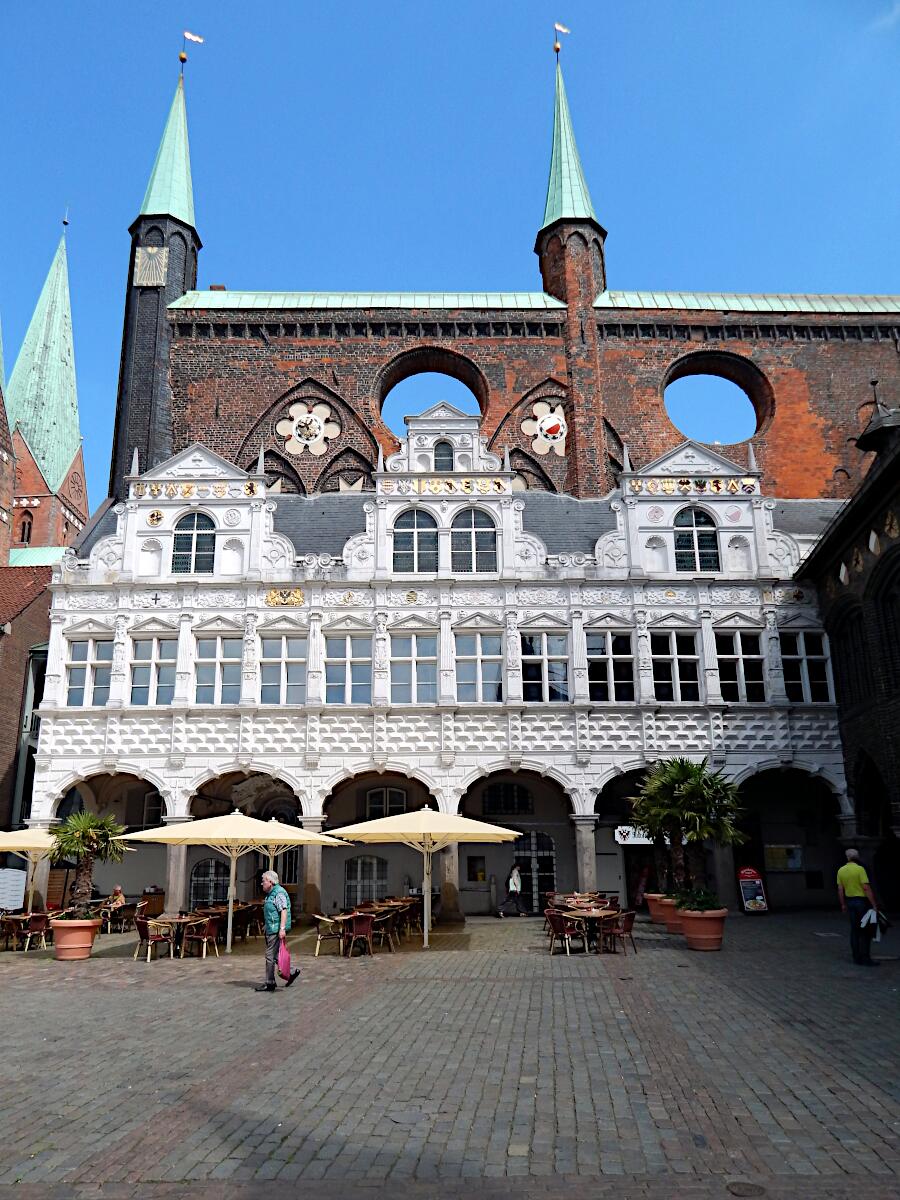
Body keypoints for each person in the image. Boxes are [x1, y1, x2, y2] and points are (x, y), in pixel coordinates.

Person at [255, 869, 300, 992]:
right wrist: (266, 924)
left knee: (269, 955)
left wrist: (282, 929)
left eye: (263, 881)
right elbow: (272, 912)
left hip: (276, 929)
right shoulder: (271, 893)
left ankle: (270, 982)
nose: (261, 883)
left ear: (270, 881)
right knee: (275, 955)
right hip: (272, 928)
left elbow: (283, 911)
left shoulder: (278, 893)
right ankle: (291, 972)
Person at [837, 848, 880, 967]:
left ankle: (856, 957)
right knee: (865, 930)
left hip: (849, 901)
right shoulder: (860, 869)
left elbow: (840, 889)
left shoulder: (841, 870)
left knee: (854, 930)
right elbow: (866, 887)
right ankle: (865, 957)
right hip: (861, 902)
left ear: (847, 857)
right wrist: (874, 904)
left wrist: (843, 904)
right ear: (857, 857)